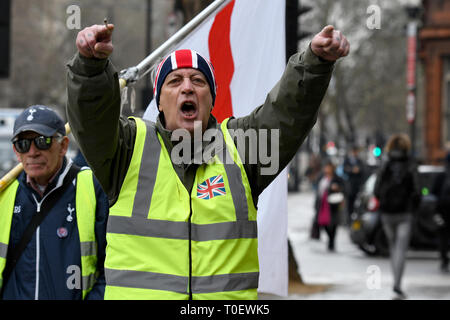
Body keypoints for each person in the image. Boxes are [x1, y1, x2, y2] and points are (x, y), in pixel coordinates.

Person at [66, 22, 349, 300]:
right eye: (175, 81)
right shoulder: (126, 149)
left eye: (198, 81)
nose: (187, 88)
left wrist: (315, 63)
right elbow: (93, 119)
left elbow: (286, 115)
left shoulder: (242, 148)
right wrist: (90, 68)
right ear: (159, 101)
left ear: (211, 99)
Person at [0, 105, 108, 300]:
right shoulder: (5, 194)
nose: (32, 152)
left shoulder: (92, 188)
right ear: (17, 152)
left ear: (63, 146)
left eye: (42, 141)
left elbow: (113, 267)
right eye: (23, 144)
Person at [374, 133, 420, 300]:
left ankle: (396, 282)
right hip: (405, 213)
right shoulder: (410, 164)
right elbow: (416, 191)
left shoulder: (385, 164)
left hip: (387, 213)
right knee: (401, 249)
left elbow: (376, 189)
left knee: (393, 247)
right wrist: (413, 208)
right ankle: (397, 284)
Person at [312, 160, 345, 251]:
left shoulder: (337, 178)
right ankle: (330, 239)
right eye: (326, 167)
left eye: (329, 167)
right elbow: (317, 190)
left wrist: (336, 188)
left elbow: (344, 188)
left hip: (333, 204)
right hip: (322, 204)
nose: (327, 169)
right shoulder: (321, 177)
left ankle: (331, 242)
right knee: (322, 222)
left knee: (333, 224)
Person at [431, 151, 450, 273]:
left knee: (443, 236)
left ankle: (444, 260)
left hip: (443, 211)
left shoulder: (442, 175)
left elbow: (433, 192)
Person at [343, 145, 364, 223]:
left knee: (356, 203)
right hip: (349, 186)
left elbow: (362, 171)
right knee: (349, 204)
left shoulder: (359, 161)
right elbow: (344, 169)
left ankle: (355, 219)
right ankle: (348, 220)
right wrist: (352, 170)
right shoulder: (347, 160)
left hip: (357, 186)